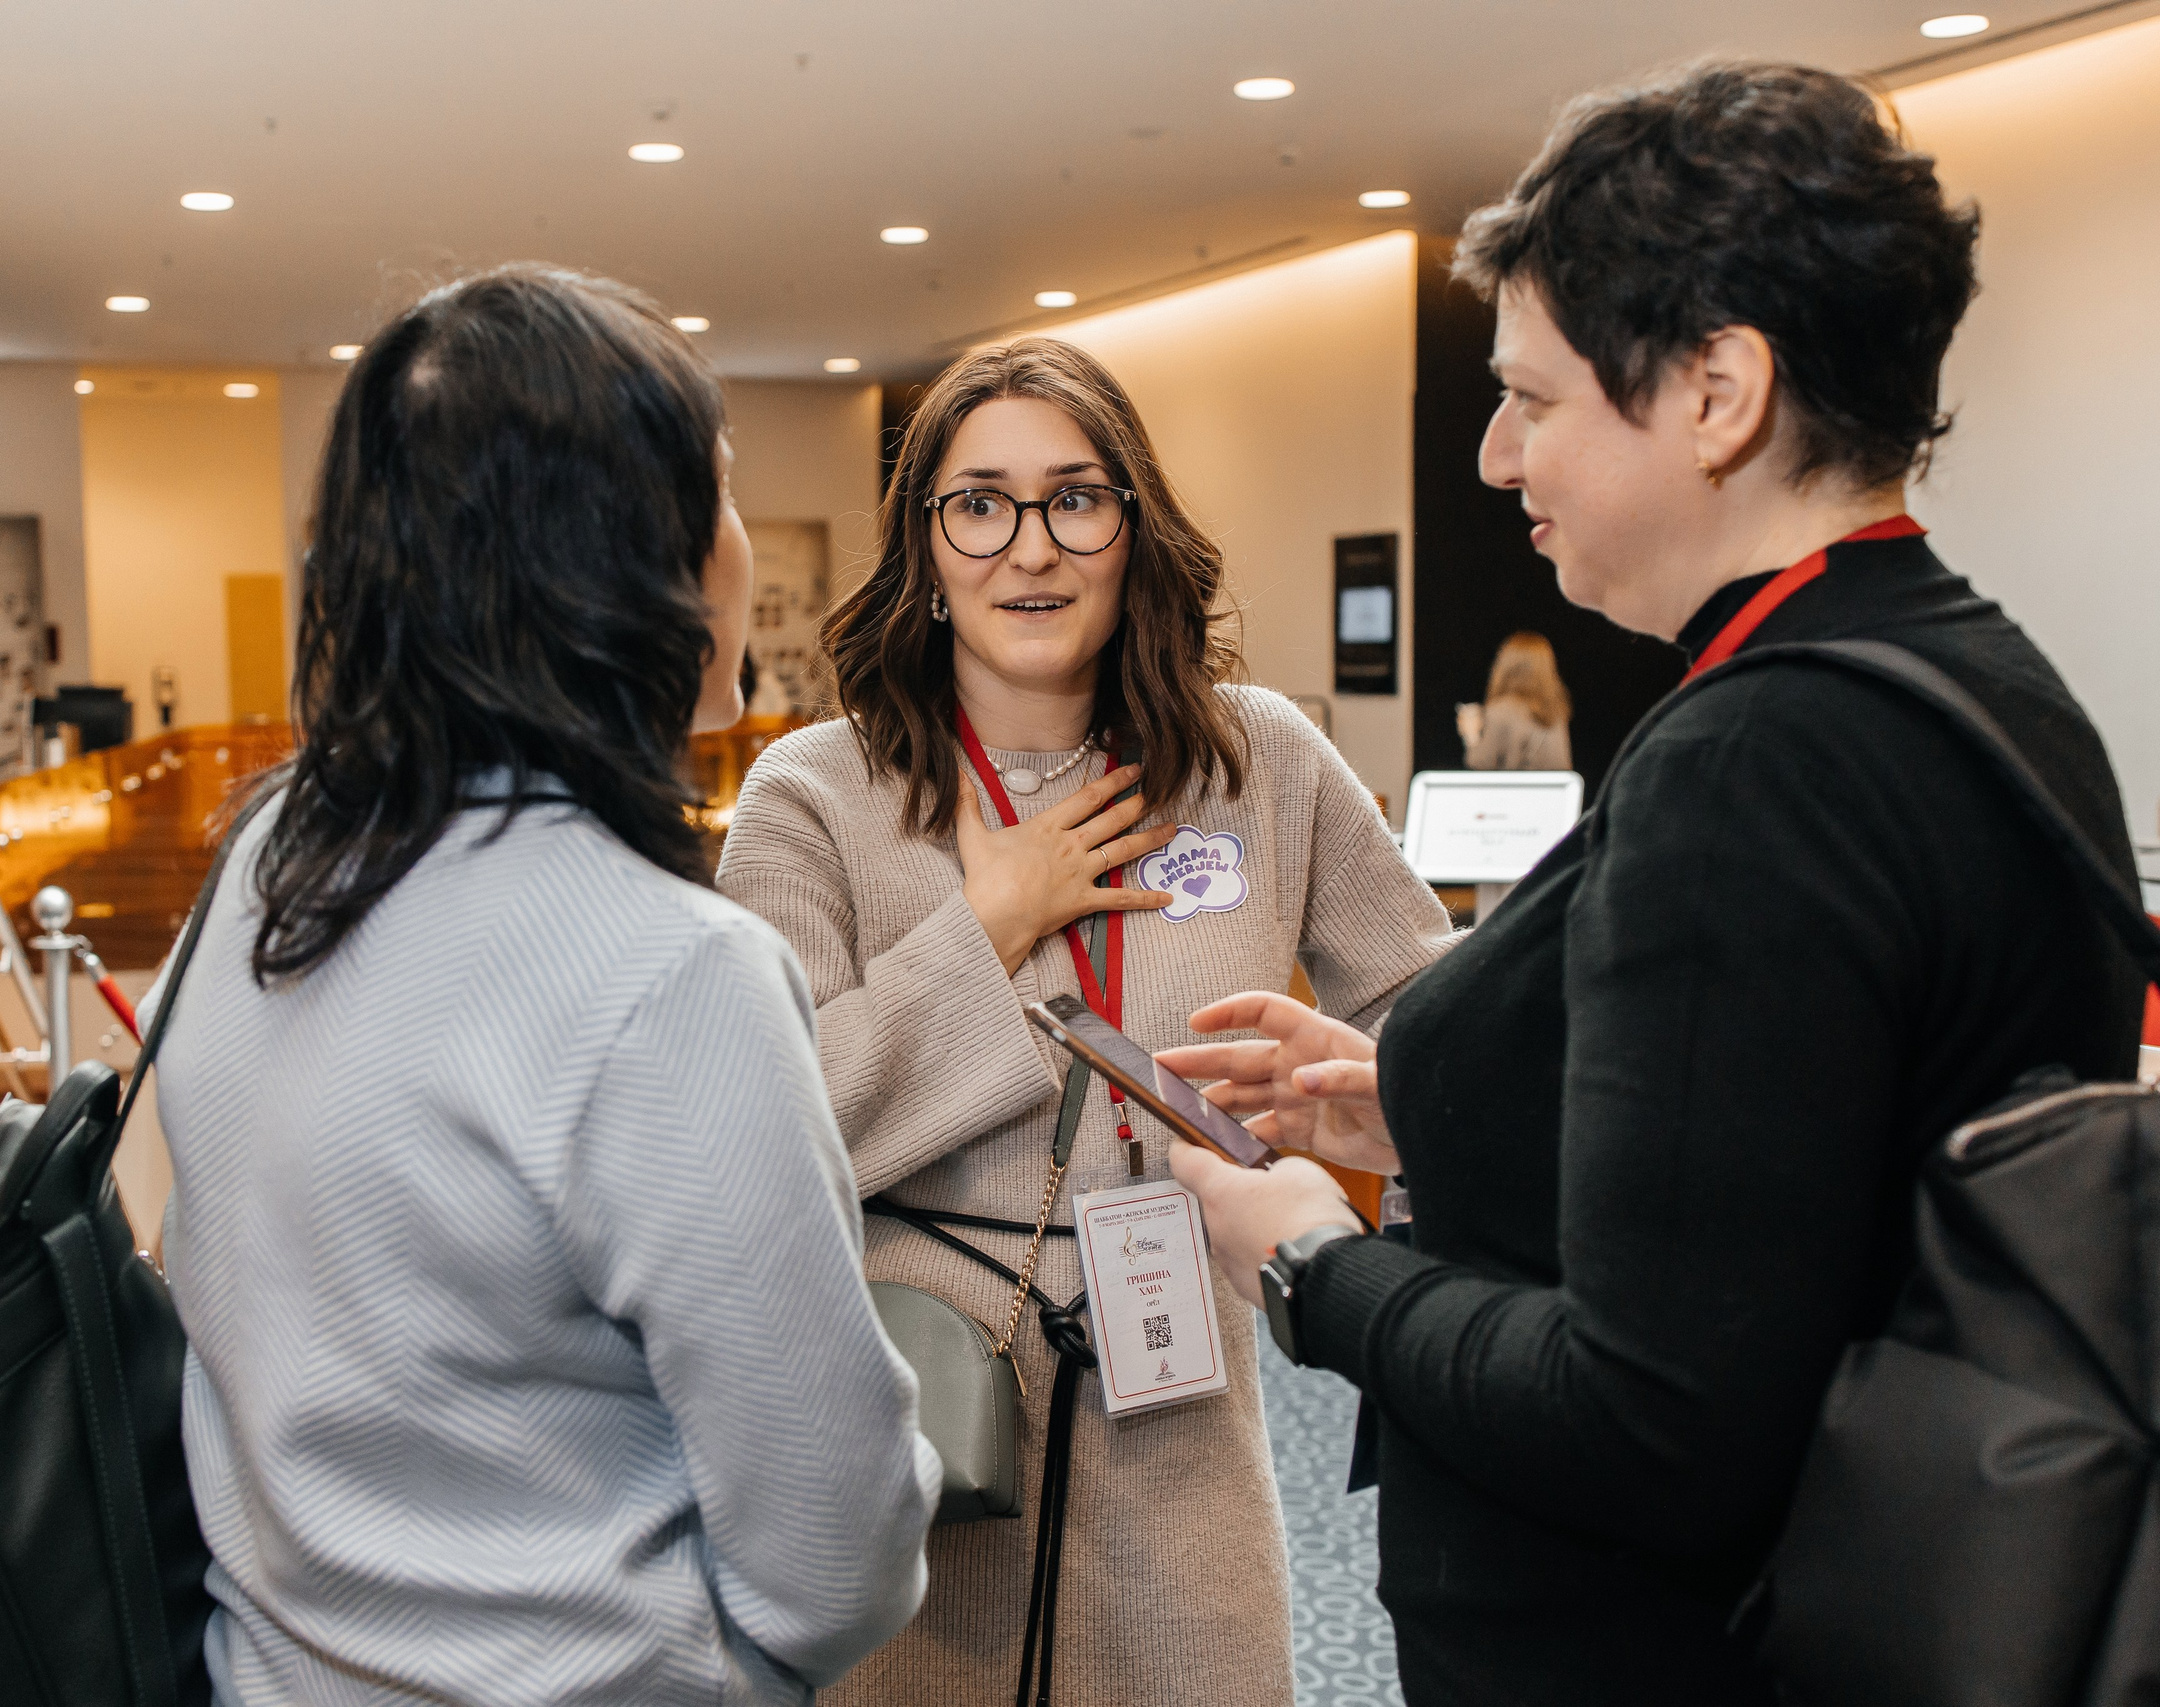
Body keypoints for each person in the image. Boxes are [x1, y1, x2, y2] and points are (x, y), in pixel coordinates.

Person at [1159, 62, 2146, 1707]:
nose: (1492, 456)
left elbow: (1648, 1416)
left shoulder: (1757, 764)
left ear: (1718, 391)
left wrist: (1307, 1261)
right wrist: (1432, 1110)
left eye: (1532, 400)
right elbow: (1809, 1165)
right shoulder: (1980, 679)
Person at [151, 266, 938, 1707]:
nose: (743, 542)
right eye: (721, 490)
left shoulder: (270, 854)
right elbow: (837, 1554)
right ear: (636, 562)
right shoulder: (671, 974)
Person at [716, 337, 1455, 1705]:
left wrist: (1374, 1085)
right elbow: (764, 1122)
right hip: (931, 1437)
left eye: (1077, 497)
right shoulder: (813, 793)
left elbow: (1440, 1017)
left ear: (1135, 528)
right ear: (925, 547)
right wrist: (983, 930)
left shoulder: (1258, 758)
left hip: (1185, 1431)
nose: (1030, 547)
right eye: (980, 503)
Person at [1455, 630, 1571, 769]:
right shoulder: (1554, 714)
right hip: (1545, 791)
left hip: (1513, 790)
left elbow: (1480, 763)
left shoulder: (1500, 710)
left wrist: (1471, 734)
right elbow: (1563, 766)